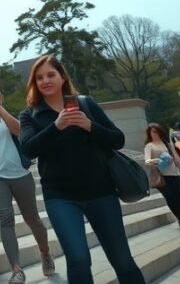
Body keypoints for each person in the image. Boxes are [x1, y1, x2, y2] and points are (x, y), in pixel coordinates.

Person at [19, 54, 145, 284]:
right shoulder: (30, 115)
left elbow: (117, 139)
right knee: (78, 259)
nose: (45, 81)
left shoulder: (85, 104)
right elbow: (28, 148)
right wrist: (56, 127)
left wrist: (89, 125)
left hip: (101, 191)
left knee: (122, 258)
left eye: (50, 75)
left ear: (62, 77)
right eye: (39, 78)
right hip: (60, 197)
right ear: (34, 83)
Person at [0, 78, 54, 283]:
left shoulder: (7, 114)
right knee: (6, 219)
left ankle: (45, 253)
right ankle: (16, 269)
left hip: (20, 175)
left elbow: (17, 130)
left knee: (32, 219)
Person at [144, 123, 180, 230]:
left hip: (174, 173)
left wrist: (176, 160)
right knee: (171, 199)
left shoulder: (166, 144)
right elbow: (147, 161)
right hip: (162, 177)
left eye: (156, 131)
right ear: (149, 133)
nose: (155, 134)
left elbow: (175, 156)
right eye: (152, 132)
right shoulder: (149, 146)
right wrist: (157, 160)